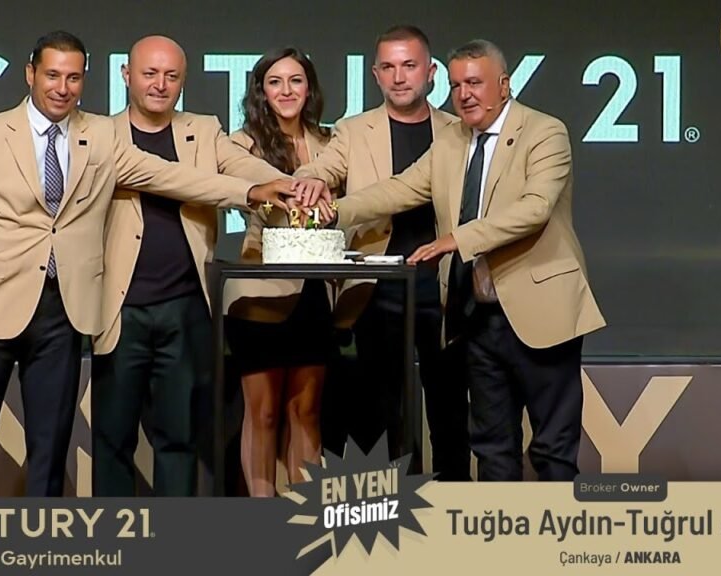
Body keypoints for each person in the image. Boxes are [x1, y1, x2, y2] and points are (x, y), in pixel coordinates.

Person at [0, 30, 291, 497]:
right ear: (30, 74)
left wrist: (250, 191)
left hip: (63, 315)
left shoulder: (100, 135)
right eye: (53, 76)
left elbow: (170, 176)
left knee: (49, 453)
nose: (63, 88)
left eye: (73, 78)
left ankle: (43, 541)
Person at [313, 39, 606, 481]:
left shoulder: (545, 132)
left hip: (540, 310)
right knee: (491, 448)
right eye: (455, 86)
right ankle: (493, 528)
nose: (464, 94)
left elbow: (535, 208)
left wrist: (456, 239)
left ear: (504, 85)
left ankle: (556, 528)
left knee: (552, 450)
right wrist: (335, 211)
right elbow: (401, 188)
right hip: (476, 315)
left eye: (474, 83)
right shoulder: (452, 140)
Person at [89, 35, 291, 497]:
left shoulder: (203, 129)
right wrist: (249, 193)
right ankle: (112, 537)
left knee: (178, 439)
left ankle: (174, 538)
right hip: (118, 310)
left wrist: (291, 183)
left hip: (185, 307)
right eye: (149, 74)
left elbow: (241, 164)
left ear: (183, 81)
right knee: (113, 438)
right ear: (125, 75)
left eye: (171, 76)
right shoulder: (99, 135)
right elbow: (183, 181)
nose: (160, 85)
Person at [292, 25, 470, 480]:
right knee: (382, 412)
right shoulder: (354, 130)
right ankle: (394, 506)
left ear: (431, 72)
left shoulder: (460, 131)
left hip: (445, 286)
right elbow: (322, 168)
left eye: (409, 65)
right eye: (388, 67)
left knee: (450, 407)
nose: (399, 76)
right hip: (378, 288)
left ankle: (452, 504)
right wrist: (311, 179)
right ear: (374, 74)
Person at [223, 47, 336, 497]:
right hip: (259, 291)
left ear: (309, 88)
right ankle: (262, 520)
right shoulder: (240, 144)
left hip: (315, 291)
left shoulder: (331, 142)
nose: (286, 91)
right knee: (264, 412)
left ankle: (305, 515)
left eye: (295, 80)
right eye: (275, 82)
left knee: (305, 411)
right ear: (261, 91)